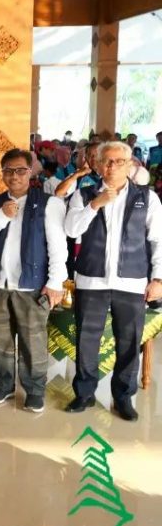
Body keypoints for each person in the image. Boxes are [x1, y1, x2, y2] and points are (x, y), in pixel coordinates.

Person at [63, 141, 162, 422]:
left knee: (129, 342)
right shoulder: (84, 194)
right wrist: (95, 204)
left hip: (132, 281)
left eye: (120, 161)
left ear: (130, 165)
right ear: (97, 164)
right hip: (91, 279)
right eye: (107, 161)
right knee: (86, 340)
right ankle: (84, 393)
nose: (113, 166)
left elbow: (158, 240)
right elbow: (71, 229)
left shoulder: (147, 197)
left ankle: (123, 397)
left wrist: (158, 278)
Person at [0, 149, 67, 413]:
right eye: (8, 171)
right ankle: (4, 385)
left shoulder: (49, 203)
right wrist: (1, 215)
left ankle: (34, 390)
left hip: (32, 286)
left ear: (30, 172)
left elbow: (58, 247)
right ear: (2, 173)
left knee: (33, 341)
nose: (14, 176)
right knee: (1, 342)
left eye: (20, 170)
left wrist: (55, 283)